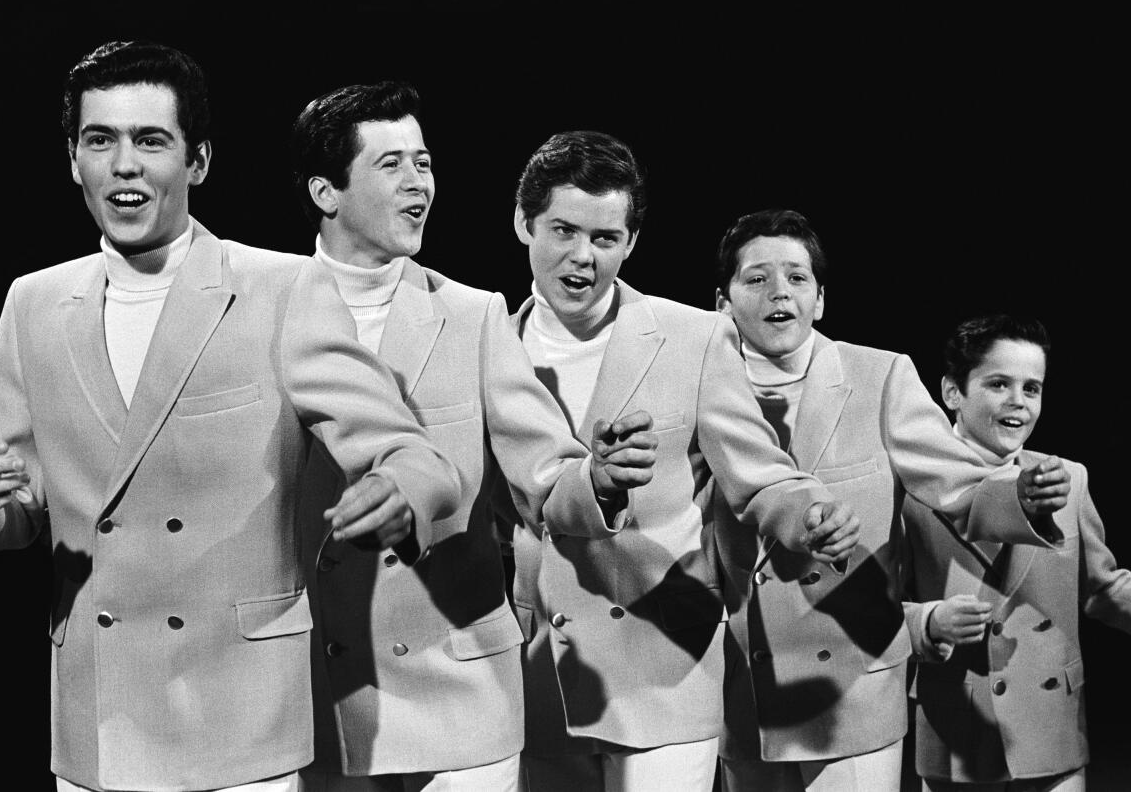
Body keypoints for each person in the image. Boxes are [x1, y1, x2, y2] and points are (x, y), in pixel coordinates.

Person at [0, 41, 461, 792]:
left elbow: (416, 457)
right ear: (73, 160)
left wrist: (401, 490)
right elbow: (20, 508)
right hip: (100, 720)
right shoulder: (32, 301)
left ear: (198, 162)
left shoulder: (281, 288)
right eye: (101, 140)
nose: (125, 164)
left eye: (150, 140)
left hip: (241, 715)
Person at [290, 83, 656, 792]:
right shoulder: (262, 308)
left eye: (424, 162)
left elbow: (547, 474)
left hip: (460, 690)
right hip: (319, 694)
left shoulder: (470, 315)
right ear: (325, 192)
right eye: (391, 164)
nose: (419, 182)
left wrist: (599, 479)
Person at [508, 131, 860, 792]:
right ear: (524, 224)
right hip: (534, 684)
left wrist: (806, 513)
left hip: (664, 670)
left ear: (632, 243)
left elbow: (760, 477)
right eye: (563, 230)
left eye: (606, 238)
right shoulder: (486, 345)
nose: (583, 256)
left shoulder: (694, 336)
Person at [710, 209, 1073, 791]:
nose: (780, 292)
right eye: (757, 279)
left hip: (853, 684)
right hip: (745, 689)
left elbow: (960, 483)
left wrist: (1021, 498)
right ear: (723, 304)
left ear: (820, 299)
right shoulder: (704, 388)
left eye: (797, 278)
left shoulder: (878, 376)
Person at [903, 314, 1131, 792]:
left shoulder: (1067, 478)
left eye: (1032, 388)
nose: (1018, 403)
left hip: (1051, 731)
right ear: (951, 392)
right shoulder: (909, 489)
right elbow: (869, 606)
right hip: (959, 735)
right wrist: (927, 620)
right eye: (999, 384)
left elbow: (1103, 591)